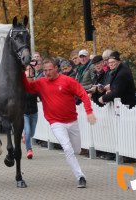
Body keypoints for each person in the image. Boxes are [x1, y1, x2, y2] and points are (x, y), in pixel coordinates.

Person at [22, 58, 97, 188]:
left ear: (56, 68)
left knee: (77, 150)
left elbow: (83, 94)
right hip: (55, 122)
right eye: (45, 70)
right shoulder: (41, 82)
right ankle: (80, 177)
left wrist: (89, 112)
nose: (47, 73)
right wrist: (24, 73)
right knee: (67, 149)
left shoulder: (68, 81)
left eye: (50, 70)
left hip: (72, 121)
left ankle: (76, 160)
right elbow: (28, 87)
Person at [23, 65, 38, 159]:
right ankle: (29, 149)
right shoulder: (21, 85)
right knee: (28, 132)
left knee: (32, 133)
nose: (29, 72)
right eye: (27, 70)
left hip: (34, 112)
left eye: (31, 71)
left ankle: (25, 137)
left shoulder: (36, 84)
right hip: (24, 113)